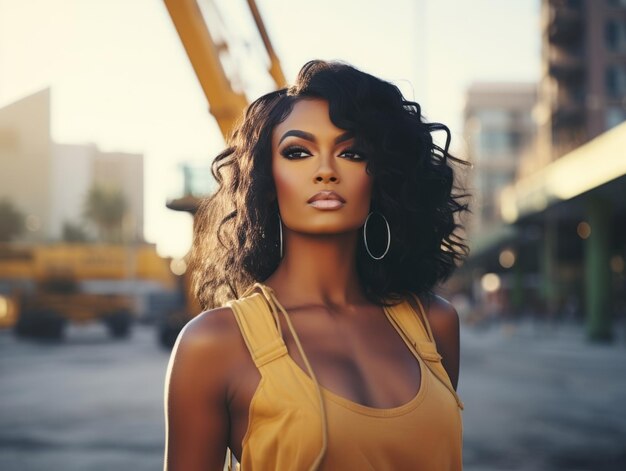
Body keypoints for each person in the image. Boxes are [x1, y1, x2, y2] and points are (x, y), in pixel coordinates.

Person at [163, 60, 470, 471]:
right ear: (267, 181)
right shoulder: (214, 344)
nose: (326, 171)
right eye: (298, 152)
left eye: (352, 152)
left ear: (380, 177)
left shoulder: (434, 324)